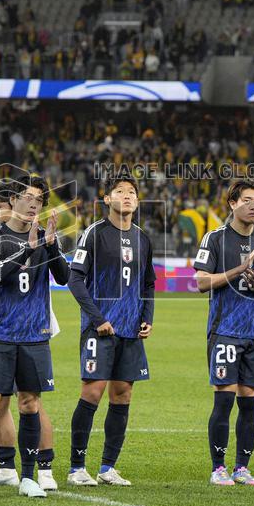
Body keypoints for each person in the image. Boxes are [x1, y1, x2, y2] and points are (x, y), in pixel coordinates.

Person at [0, 175, 69, 500]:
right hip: (1, 334)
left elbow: (63, 277)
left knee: (29, 403)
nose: (34, 202)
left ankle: (29, 477)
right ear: (16, 198)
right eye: (28, 196)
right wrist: (27, 251)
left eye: (39, 198)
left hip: (35, 334)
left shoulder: (47, 237)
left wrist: (50, 247)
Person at [66, 176, 155, 487]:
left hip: (130, 331)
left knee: (123, 395)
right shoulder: (94, 234)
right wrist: (97, 319)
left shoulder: (143, 238)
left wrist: (148, 317)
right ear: (107, 199)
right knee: (92, 392)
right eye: (120, 191)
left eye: (132, 192)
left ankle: (107, 467)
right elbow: (75, 281)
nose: (127, 196)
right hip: (100, 329)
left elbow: (148, 283)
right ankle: (77, 467)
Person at [194, 180, 254, 486]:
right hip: (225, 331)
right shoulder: (216, 239)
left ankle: (241, 467)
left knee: (250, 401)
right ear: (232, 203)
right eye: (247, 200)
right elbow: (201, 282)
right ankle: (218, 468)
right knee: (224, 400)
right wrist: (238, 269)